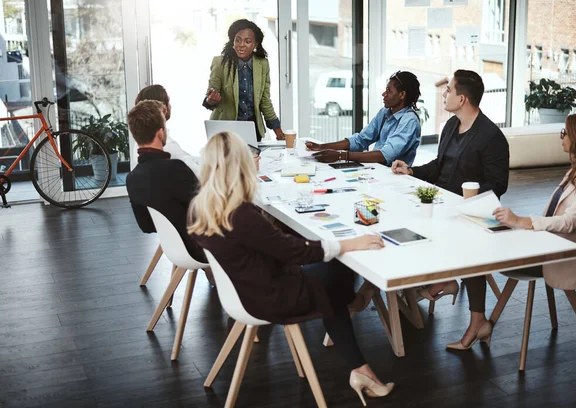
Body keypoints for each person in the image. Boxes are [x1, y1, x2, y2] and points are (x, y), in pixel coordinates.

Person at [188, 131, 394, 405]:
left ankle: (361, 363)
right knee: (336, 271)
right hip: (268, 298)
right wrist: (348, 244)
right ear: (239, 166)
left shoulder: (201, 209)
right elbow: (296, 252)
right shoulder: (242, 215)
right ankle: (358, 335)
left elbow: (267, 247)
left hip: (243, 291)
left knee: (329, 278)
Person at [447, 113, 576, 350]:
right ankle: (474, 316)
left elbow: (569, 222)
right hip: (542, 242)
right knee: (476, 234)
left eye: (565, 133)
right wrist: (518, 224)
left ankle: (474, 318)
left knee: (476, 249)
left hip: (561, 254)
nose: (562, 138)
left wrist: (520, 221)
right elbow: (552, 215)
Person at [391, 70, 510, 303]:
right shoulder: (449, 126)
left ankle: (434, 282)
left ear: (462, 99)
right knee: (396, 215)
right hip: (440, 203)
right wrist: (412, 171)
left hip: (466, 211)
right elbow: (439, 165)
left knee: (422, 227)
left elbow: (498, 184)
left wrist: (466, 201)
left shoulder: (491, 136)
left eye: (449, 90)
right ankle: (425, 282)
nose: (444, 94)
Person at [125, 100, 208, 265]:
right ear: (160, 133)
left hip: (177, 249)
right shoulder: (175, 169)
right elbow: (207, 208)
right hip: (202, 248)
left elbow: (147, 226)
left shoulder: (132, 178)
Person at [305, 70, 421, 166]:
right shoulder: (385, 112)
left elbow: (383, 155)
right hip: (377, 170)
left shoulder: (409, 120)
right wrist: (322, 147)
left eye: (388, 91)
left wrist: (340, 156)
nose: (384, 94)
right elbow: (360, 140)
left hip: (394, 177)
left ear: (402, 95)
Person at [203, 19, 285, 142]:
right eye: (237, 40)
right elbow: (210, 97)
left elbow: (264, 100)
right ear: (233, 41)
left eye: (247, 41)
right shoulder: (219, 63)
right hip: (225, 131)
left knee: (253, 161)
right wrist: (211, 100)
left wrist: (278, 131)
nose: (241, 45)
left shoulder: (262, 64)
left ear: (255, 44)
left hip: (252, 130)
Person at [135, 84, 202, 174]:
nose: (170, 106)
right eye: (168, 102)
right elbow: (201, 175)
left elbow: (187, 158)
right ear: (163, 108)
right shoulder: (165, 146)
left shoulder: (139, 144)